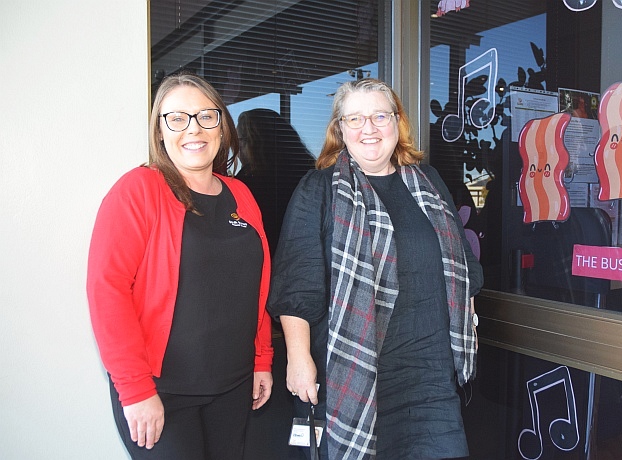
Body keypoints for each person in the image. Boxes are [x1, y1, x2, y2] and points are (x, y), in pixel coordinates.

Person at [268, 78, 484, 459]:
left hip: (432, 379)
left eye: (380, 116)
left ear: (397, 122)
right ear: (340, 129)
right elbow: (296, 285)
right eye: (355, 118)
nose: (368, 128)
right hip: (356, 377)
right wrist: (299, 360)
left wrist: (468, 318)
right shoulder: (318, 190)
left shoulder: (429, 183)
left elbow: (462, 267)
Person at [87, 72, 274, 460]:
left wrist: (262, 359)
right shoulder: (137, 190)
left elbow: (255, 289)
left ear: (221, 126)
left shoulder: (241, 194)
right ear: (160, 131)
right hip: (162, 392)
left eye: (206, 116)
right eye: (177, 118)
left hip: (233, 386)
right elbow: (107, 290)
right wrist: (135, 389)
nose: (194, 128)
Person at [235, 108, 315, 255]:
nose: (236, 149)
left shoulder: (247, 185)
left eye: (239, 140)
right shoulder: (308, 175)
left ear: (251, 143)